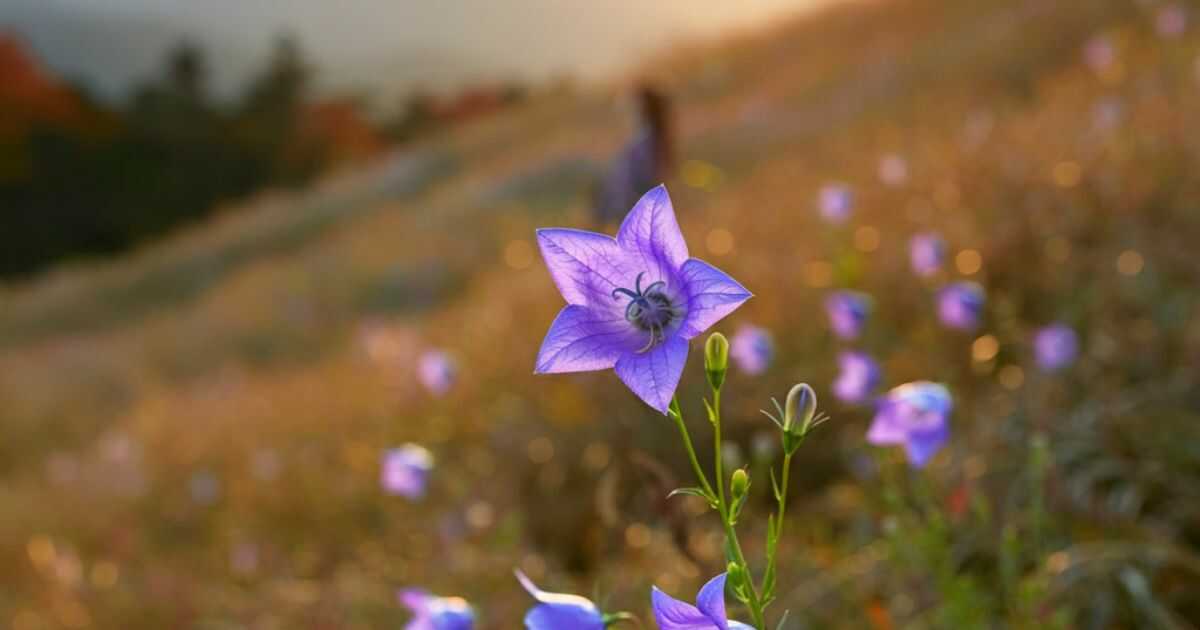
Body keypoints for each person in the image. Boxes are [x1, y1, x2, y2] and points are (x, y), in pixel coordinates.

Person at [593, 84, 674, 225]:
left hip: (631, 210)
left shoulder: (647, 142)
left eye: (635, 107)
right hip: (626, 207)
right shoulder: (648, 139)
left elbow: (645, 180)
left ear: (644, 109)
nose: (630, 112)